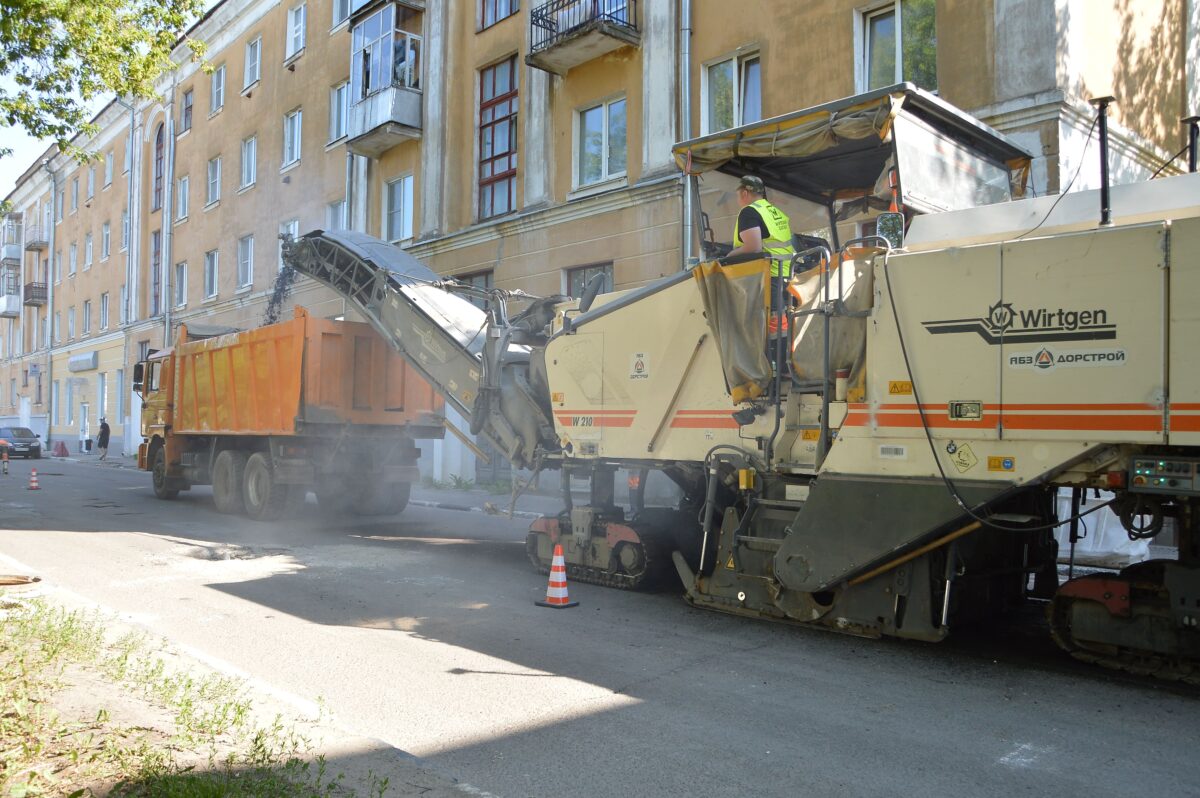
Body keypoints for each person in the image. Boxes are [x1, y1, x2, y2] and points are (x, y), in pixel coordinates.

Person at [727, 175, 795, 309]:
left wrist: (729, 257)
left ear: (744, 193)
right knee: (784, 318)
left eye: (738, 195)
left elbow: (753, 247)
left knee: (772, 323)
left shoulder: (749, 211)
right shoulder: (775, 212)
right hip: (786, 272)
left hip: (768, 274)